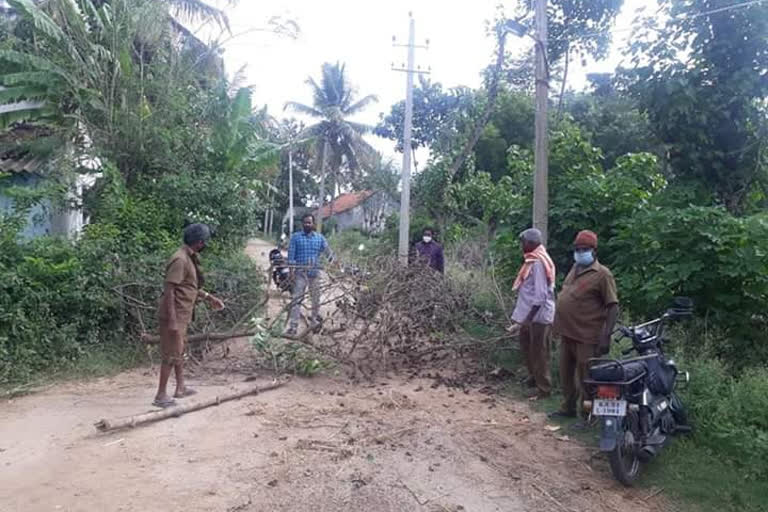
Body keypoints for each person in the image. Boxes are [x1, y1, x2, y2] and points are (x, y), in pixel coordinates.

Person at [550, 230, 619, 424]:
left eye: (585, 249)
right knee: (565, 373)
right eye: (578, 249)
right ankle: (568, 407)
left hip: (588, 335)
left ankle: (589, 414)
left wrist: (606, 335)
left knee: (587, 378)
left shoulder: (602, 274)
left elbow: (613, 306)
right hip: (567, 333)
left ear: (594, 251)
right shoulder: (575, 268)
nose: (580, 252)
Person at [154, 223, 225, 408]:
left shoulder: (189, 258)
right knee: (171, 353)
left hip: (182, 314)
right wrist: (172, 321)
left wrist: (209, 298)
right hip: (174, 314)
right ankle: (161, 394)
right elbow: (169, 290)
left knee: (179, 350)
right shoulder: (180, 260)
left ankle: (180, 387)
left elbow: (189, 287)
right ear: (200, 242)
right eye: (205, 241)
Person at [507, 228, 556, 399]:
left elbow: (541, 295)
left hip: (539, 317)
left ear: (530, 243)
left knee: (539, 353)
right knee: (527, 348)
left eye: (523, 242)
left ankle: (544, 390)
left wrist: (527, 320)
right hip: (530, 316)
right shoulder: (533, 259)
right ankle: (533, 379)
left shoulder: (538, 262)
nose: (521, 246)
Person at [286, 214, 334, 336]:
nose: (308, 224)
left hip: (314, 274)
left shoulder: (319, 238)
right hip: (300, 274)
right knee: (296, 300)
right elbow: (291, 257)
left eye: (310, 222)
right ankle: (293, 326)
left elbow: (328, 253)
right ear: (302, 224)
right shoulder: (295, 238)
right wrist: (291, 273)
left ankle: (313, 324)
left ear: (313, 224)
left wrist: (334, 263)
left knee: (316, 300)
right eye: (305, 222)